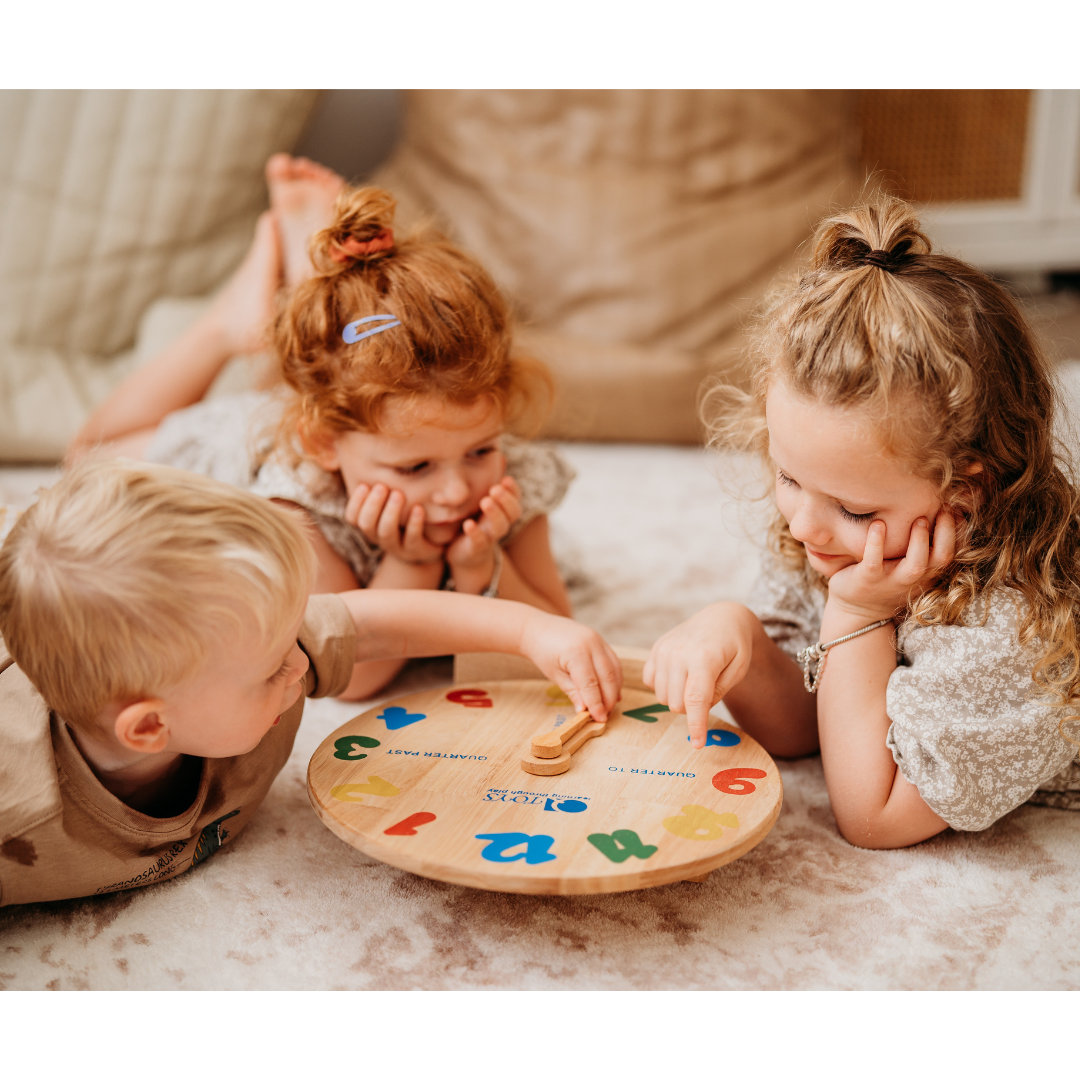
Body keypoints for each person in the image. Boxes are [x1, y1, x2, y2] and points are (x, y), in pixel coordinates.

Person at [644, 197, 1080, 850]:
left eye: (853, 510)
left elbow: (873, 815)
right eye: (787, 476)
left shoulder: (1019, 628)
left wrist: (859, 613)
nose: (804, 527)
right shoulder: (829, 522)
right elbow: (806, 725)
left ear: (970, 489)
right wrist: (737, 634)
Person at [0, 459, 620, 907]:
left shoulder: (257, 645)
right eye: (274, 668)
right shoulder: (16, 809)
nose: (300, 664)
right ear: (150, 727)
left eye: (294, 638)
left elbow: (379, 626)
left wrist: (532, 631)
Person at [69, 156, 574, 700]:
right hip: (247, 444)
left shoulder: (508, 485)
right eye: (416, 466)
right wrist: (413, 561)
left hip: (339, 411)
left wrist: (484, 567)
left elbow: (556, 632)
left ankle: (314, 305)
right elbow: (352, 677)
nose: (456, 490)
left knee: (331, 375)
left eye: (480, 450)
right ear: (325, 445)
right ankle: (229, 325)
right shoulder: (301, 506)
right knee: (87, 459)